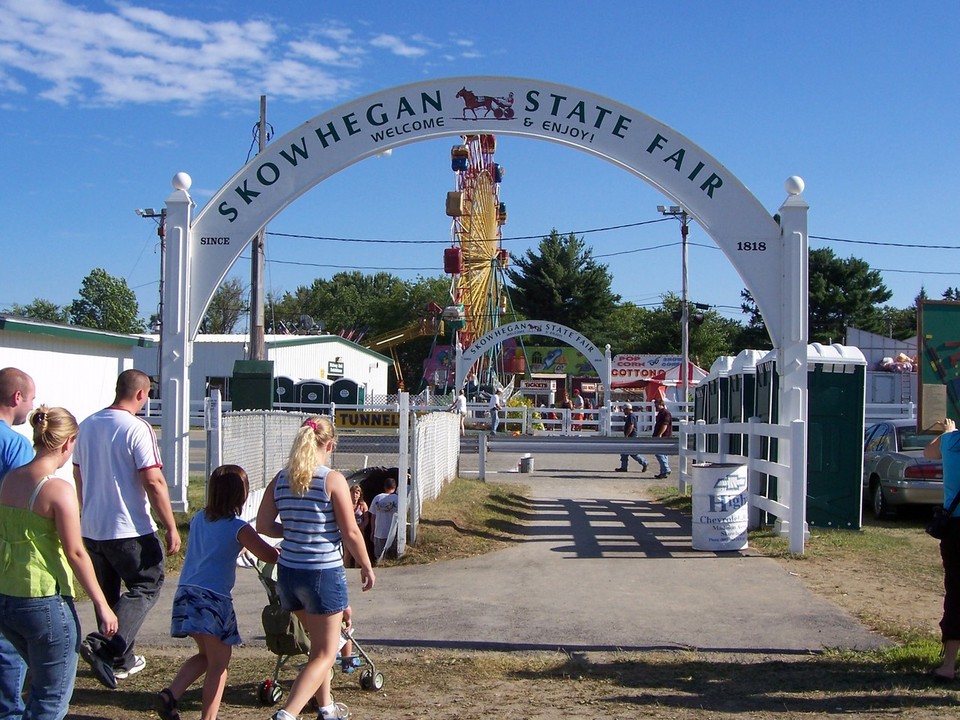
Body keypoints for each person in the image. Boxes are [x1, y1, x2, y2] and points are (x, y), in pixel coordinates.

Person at [0, 406, 119, 720]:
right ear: (67, 444)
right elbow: (76, 552)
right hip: (44, 600)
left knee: (33, 689)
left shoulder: (8, 480)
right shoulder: (58, 490)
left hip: (7, 597)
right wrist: (102, 604)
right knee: (50, 701)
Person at [256, 416, 374, 720]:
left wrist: (293, 529)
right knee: (325, 653)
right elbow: (350, 532)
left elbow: (264, 525)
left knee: (317, 648)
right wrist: (365, 564)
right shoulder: (332, 479)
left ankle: (326, 707)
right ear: (330, 444)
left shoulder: (281, 478)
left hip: (289, 573)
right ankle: (288, 714)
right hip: (322, 572)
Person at [72, 369, 182, 689]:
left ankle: (121, 659)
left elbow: (78, 475)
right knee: (146, 584)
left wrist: (86, 508)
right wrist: (170, 525)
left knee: (106, 596)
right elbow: (153, 480)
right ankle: (107, 646)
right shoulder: (137, 428)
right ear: (140, 395)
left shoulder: (88, 424)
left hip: (92, 526)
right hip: (129, 527)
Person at [158, 465, 279, 720]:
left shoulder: (199, 519)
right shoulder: (239, 527)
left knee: (206, 656)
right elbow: (268, 554)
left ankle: (170, 696)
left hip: (186, 594)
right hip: (213, 600)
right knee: (219, 665)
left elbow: (216, 547)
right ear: (241, 495)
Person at [0, 367, 36, 718]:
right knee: (8, 645)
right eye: (31, 398)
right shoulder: (14, 444)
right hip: (6, 551)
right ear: (16, 398)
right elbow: (27, 500)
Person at [924, 417, 960, 683]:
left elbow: (928, 452)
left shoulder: (952, 443)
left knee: (957, 592)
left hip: (956, 529)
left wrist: (948, 431)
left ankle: (949, 664)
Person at [369, 476, 399, 562]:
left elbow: (373, 516)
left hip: (379, 532)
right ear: (395, 487)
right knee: (391, 555)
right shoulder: (397, 499)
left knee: (379, 555)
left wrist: (372, 530)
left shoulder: (377, 498)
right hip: (392, 532)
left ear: (384, 487)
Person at [343, 483, 369, 569]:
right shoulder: (346, 504)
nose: (355, 495)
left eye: (357, 493)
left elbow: (367, 519)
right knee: (347, 552)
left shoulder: (362, 505)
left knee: (358, 551)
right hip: (348, 530)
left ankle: (356, 569)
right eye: (353, 492)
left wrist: (362, 527)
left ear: (360, 494)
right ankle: (346, 569)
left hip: (360, 530)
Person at [615, 404, 648, 473]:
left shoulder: (631, 416)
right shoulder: (630, 416)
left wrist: (627, 435)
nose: (623, 411)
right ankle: (624, 467)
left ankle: (644, 462)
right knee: (625, 453)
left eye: (624, 410)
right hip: (631, 437)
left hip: (631, 437)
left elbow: (631, 426)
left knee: (633, 453)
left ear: (628, 409)